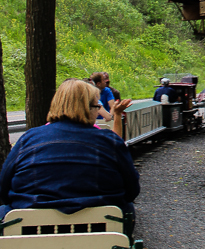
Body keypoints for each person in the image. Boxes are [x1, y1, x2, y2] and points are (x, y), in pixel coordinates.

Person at [0, 79, 139, 219]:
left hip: (30, 225)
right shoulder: (109, 140)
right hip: (100, 225)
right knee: (127, 209)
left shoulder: (28, 139)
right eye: (97, 106)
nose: (98, 113)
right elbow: (132, 190)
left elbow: (4, 186)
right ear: (86, 108)